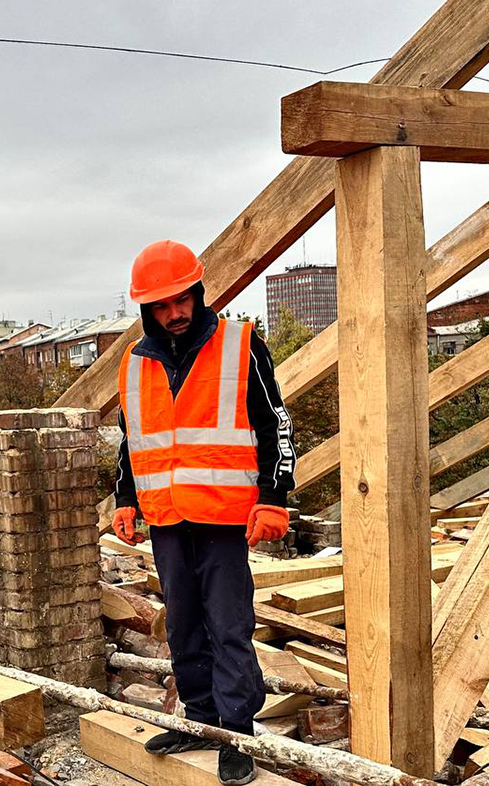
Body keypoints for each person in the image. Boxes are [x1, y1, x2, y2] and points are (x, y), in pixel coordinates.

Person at [112, 240, 297, 785]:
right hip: (167, 518)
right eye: (161, 306)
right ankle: (198, 721)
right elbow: (132, 439)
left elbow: (275, 426)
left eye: (180, 300)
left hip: (223, 518)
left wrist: (274, 496)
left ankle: (237, 733)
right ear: (146, 309)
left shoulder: (242, 345)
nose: (174, 313)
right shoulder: (136, 361)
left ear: (197, 292)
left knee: (228, 627)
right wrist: (125, 499)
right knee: (185, 626)